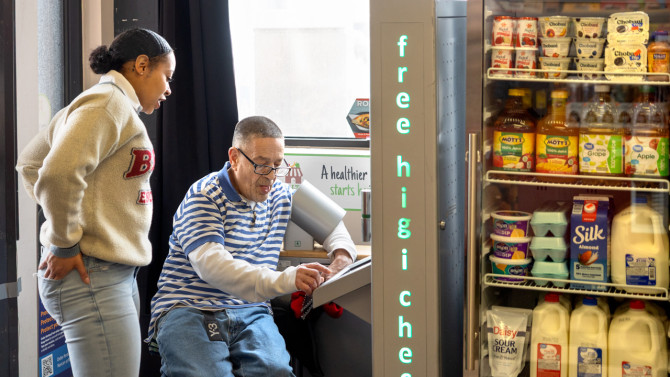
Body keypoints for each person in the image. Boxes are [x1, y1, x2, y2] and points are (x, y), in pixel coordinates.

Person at [16, 28, 175, 376]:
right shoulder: (106, 104)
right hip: (93, 274)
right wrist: (65, 241)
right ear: (142, 65)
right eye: (167, 76)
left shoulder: (103, 102)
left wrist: (75, 219)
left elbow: (31, 165)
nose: (168, 89)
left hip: (110, 274)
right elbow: (54, 176)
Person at [146, 116, 357, 376]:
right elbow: (215, 268)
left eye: (278, 165)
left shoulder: (282, 192)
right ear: (234, 157)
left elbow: (336, 229)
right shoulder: (204, 196)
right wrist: (288, 278)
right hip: (190, 307)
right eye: (261, 165)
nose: (270, 176)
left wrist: (341, 262)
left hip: (251, 310)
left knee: (276, 371)